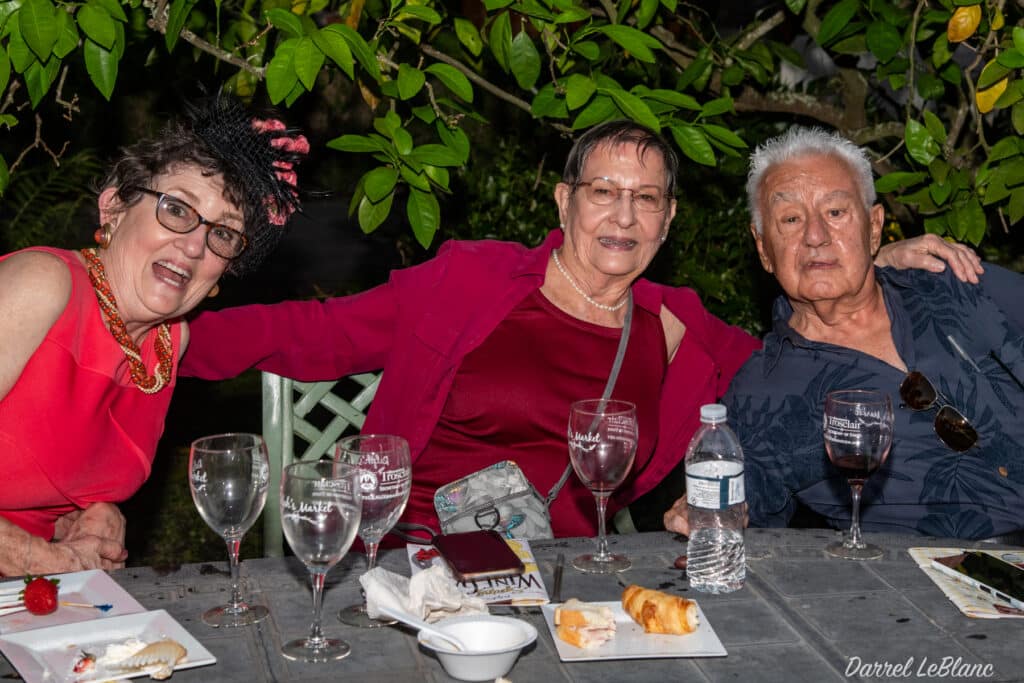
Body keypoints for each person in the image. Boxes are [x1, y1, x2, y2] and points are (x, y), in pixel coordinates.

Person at [182, 121, 979, 540]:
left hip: (562, 577)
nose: (623, 216)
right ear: (565, 203)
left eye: (646, 199)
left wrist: (869, 262)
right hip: (410, 551)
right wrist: (160, 341)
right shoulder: (472, 279)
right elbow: (313, 333)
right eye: (604, 192)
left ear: (667, 220)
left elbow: (804, 350)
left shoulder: (678, 325)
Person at [0, 95, 309, 575]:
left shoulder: (167, 342)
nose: (194, 245)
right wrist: (38, 557)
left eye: (222, 234)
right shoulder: (42, 283)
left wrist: (91, 515)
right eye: (177, 209)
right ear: (114, 208)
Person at [666, 126, 1022, 541]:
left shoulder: (952, 284)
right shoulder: (762, 394)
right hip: (940, 573)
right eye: (791, 219)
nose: (815, 237)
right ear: (763, 249)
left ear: (874, 228)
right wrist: (711, 508)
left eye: (835, 213)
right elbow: (741, 496)